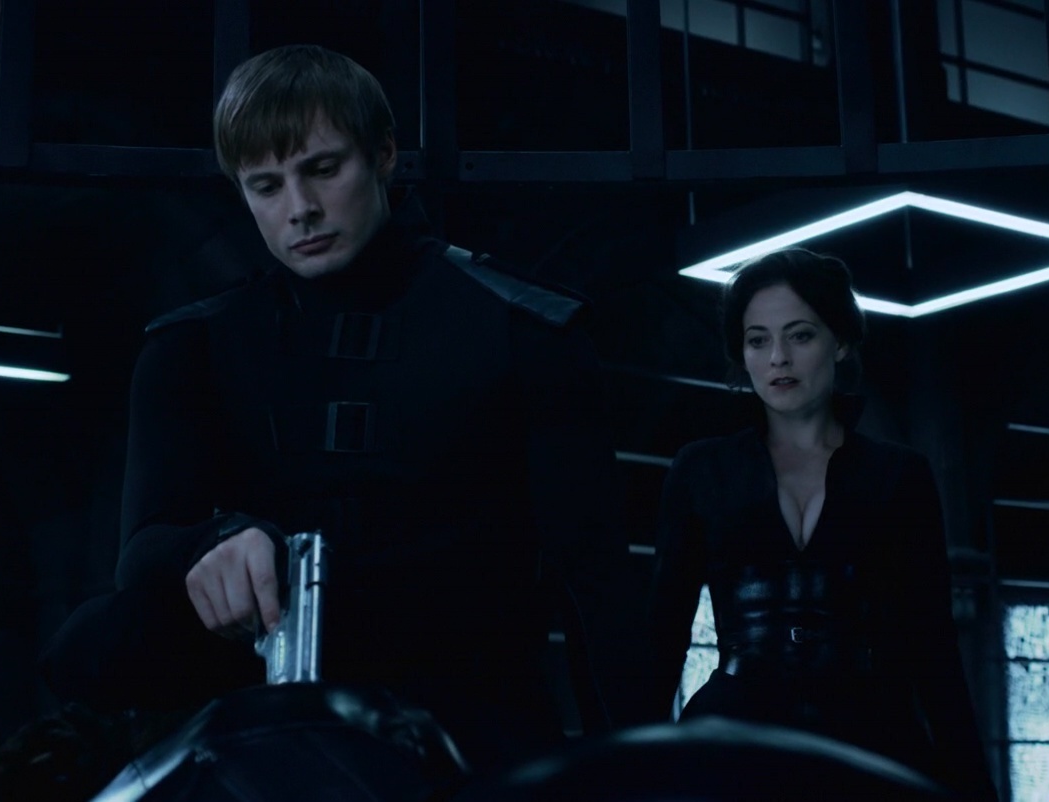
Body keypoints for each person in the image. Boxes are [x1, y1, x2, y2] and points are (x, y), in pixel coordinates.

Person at [37, 44, 632, 775]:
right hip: (270, 743)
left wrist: (632, 774)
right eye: (266, 185)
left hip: (474, 743)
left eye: (323, 169)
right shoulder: (190, 348)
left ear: (383, 155)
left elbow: (598, 594)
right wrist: (216, 541)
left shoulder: (525, 331)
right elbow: (142, 550)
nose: (300, 209)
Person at [646, 249, 996, 800]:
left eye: (800, 335)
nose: (777, 358)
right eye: (757, 340)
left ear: (840, 342)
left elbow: (932, 647)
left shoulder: (898, 474)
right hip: (734, 742)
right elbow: (663, 637)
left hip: (870, 738)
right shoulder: (702, 469)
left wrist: (976, 790)